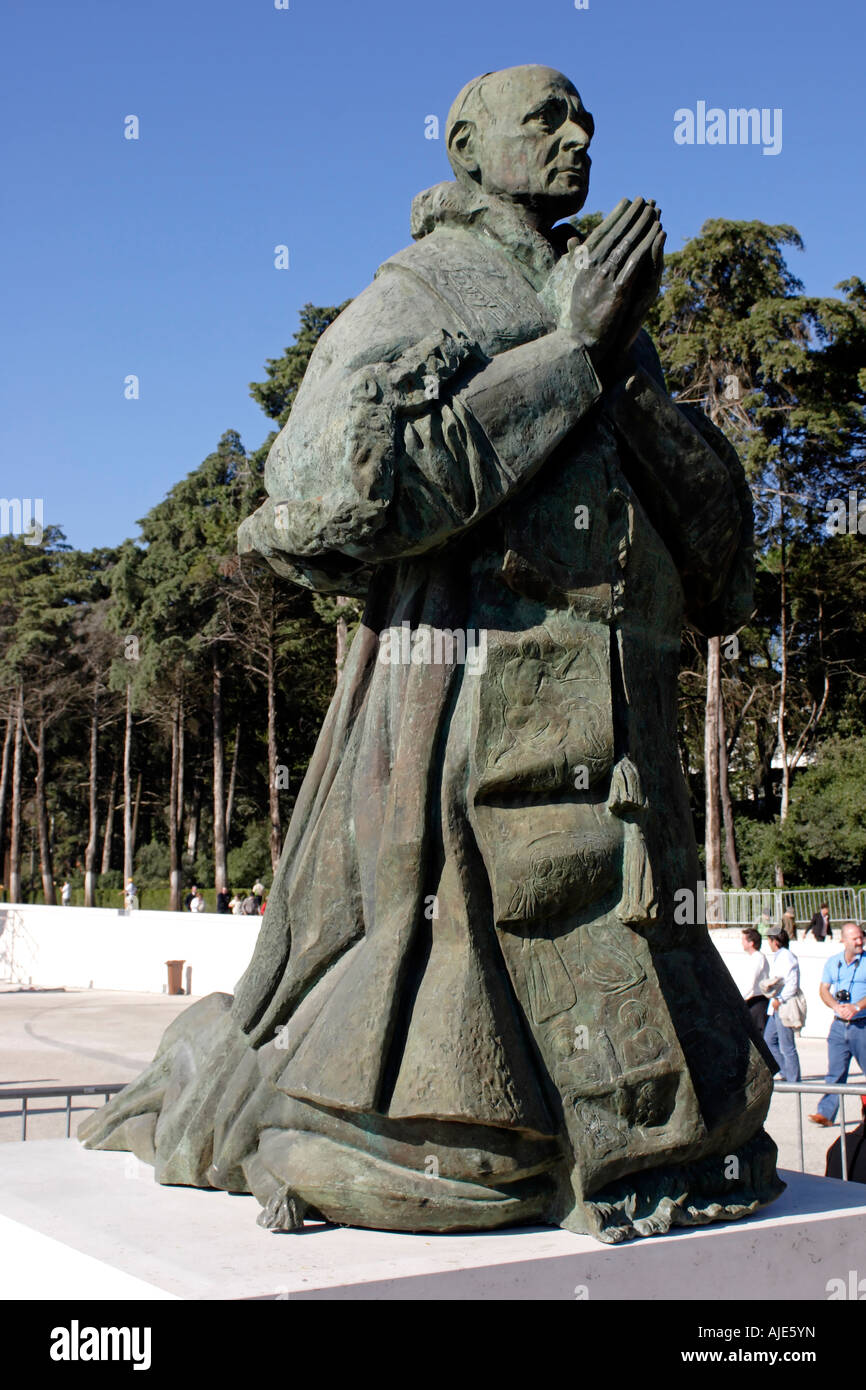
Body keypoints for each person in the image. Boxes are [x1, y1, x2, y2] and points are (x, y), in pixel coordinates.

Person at [80, 65, 781, 1243]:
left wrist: (620, 372)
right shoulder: (420, 292)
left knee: (691, 1127)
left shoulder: (610, 311)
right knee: (461, 1159)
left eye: (584, 119)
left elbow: (719, 573)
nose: (578, 137)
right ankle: (308, 1135)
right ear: (464, 146)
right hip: (463, 759)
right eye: (545, 119)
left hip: (619, 778)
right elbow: (323, 499)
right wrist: (562, 357)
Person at [808, 922, 866, 1127]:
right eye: (855, 938)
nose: (860, 941)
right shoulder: (834, 962)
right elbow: (824, 989)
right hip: (839, 1025)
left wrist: (856, 1007)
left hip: (862, 1024)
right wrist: (836, 1006)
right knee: (835, 1072)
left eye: (861, 937)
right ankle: (825, 1113)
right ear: (843, 940)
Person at [762, 926, 801, 1083]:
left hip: (783, 1005)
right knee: (769, 1040)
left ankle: (793, 1079)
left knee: (787, 1045)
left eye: (770, 940)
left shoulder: (786, 957)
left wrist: (781, 998)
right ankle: (786, 1072)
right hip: (777, 1005)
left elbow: (791, 983)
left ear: (775, 941)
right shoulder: (780, 956)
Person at [740, 928, 770, 1034]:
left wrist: (740, 1000)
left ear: (751, 943)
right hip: (752, 1001)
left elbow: (750, 983)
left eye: (743, 940)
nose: (741, 943)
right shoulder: (753, 958)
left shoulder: (758, 958)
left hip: (757, 1002)